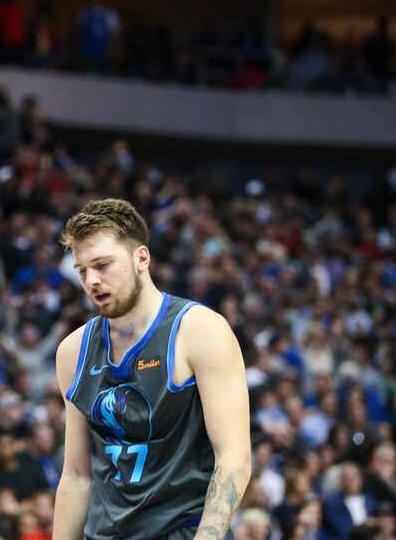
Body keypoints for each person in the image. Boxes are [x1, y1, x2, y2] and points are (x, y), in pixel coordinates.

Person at [52, 199, 251, 540]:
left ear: (141, 258)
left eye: (102, 265)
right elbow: (76, 476)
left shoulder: (200, 331)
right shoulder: (73, 352)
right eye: (82, 270)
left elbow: (233, 458)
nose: (92, 281)